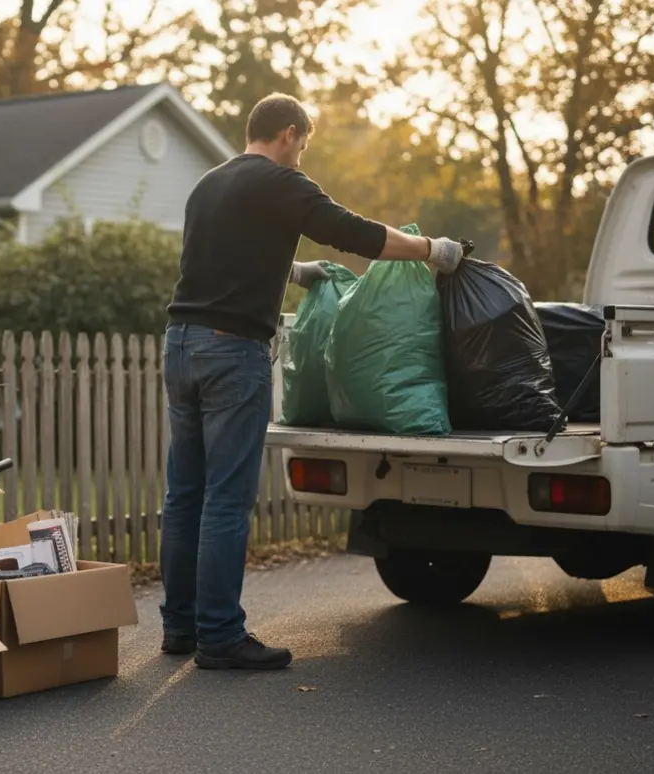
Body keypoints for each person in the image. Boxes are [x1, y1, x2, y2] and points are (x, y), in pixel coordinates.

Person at [159, 93, 467, 671]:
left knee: (185, 495)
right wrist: (432, 250)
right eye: (303, 143)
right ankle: (220, 636)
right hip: (232, 353)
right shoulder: (282, 181)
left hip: (181, 344)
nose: (302, 154)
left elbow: (212, 256)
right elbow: (352, 232)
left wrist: (295, 271)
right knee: (226, 499)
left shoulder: (209, 184)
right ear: (289, 133)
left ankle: (180, 627)